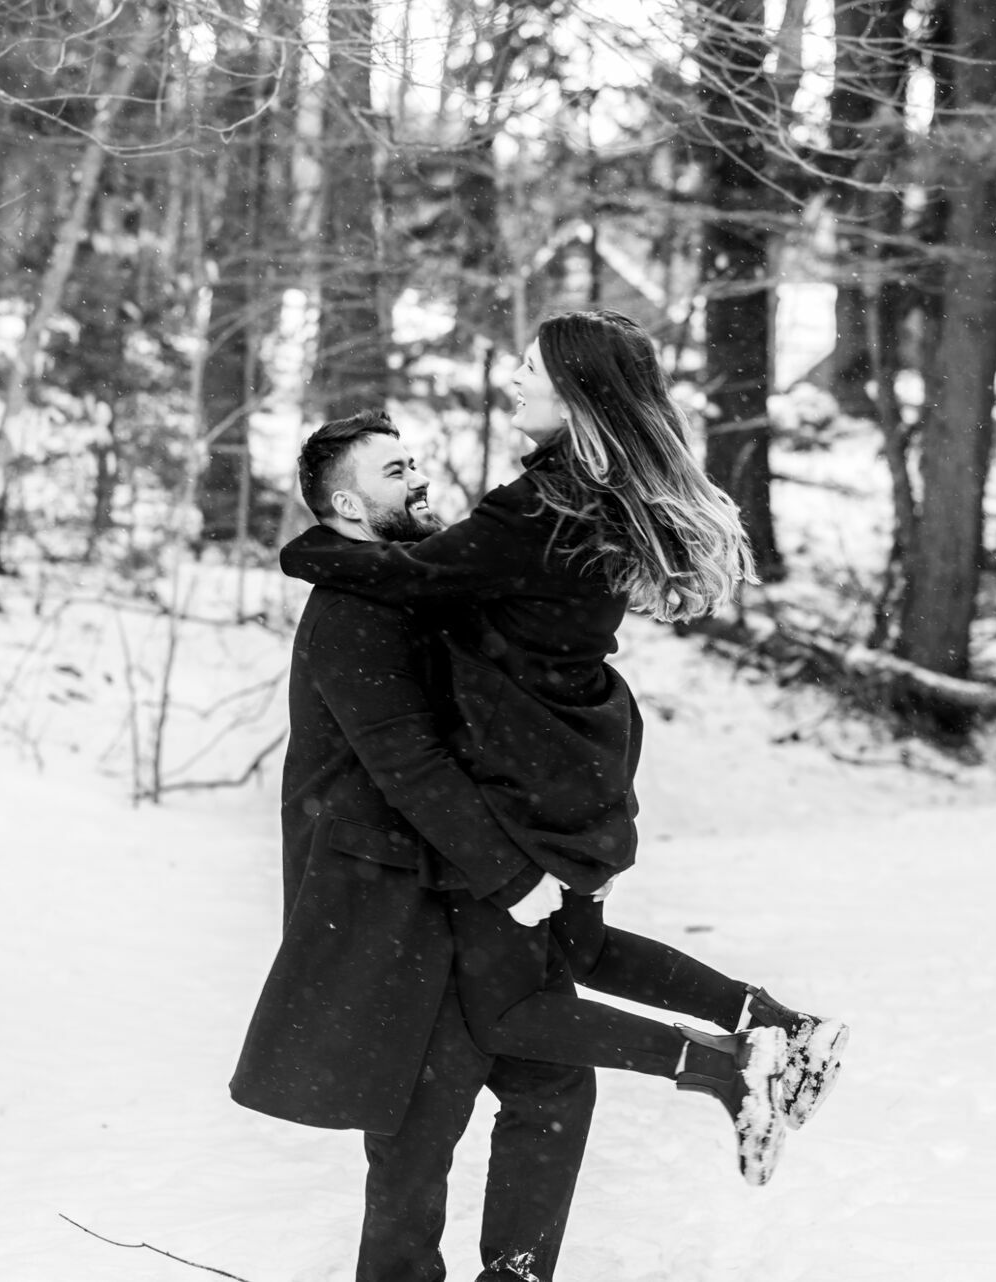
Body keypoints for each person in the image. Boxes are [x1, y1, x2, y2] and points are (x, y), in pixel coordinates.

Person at [278, 311, 849, 1183]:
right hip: (571, 759)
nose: (512, 377)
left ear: (574, 394)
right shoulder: (592, 490)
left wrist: (307, 549)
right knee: (576, 953)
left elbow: (413, 577)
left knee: (510, 1013)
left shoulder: (537, 506)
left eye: (530, 369)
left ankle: (738, 1064)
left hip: (530, 771)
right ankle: (773, 1023)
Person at [231, 409, 595, 1282]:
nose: (420, 479)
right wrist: (512, 874)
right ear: (350, 507)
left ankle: (514, 1273)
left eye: (415, 461)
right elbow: (408, 762)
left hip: (451, 889)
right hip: (392, 909)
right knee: (417, 1130)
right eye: (397, 471)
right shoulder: (354, 612)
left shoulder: (407, 586)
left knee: (546, 1081)